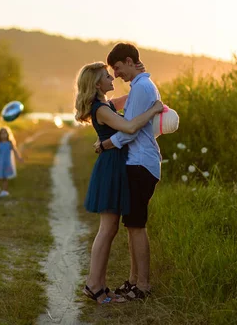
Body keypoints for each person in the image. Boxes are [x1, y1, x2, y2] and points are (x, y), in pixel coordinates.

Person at [74, 61, 163, 304]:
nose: (113, 78)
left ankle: (99, 285)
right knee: (107, 229)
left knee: (110, 228)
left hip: (115, 165)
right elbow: (131, 126)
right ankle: (94, 285)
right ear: (96, 83)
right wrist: (155, 109)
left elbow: (131, 98)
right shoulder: (101, 109)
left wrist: (139, 76)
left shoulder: (106, 104)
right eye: (106, 76)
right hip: (111, 167)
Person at [98, 42, 163, 300]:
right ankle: (134, 280)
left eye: (117, 68)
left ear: (128, 60)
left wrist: (105, 144)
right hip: (138, 163)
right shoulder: (141, 86)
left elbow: (129, 129)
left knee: (137, 226)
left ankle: (143, 286)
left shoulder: (143, 87)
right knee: (132, 224)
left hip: (141, 164)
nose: (116, 75)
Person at [0, 126, 23, 198]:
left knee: (5, 177)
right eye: (2, 134)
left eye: (5, 133)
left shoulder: (9, 143)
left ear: (8, 135)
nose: (4, 135)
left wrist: (19, 158)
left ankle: (5, 191)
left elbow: (15, 151)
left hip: (6, 163)